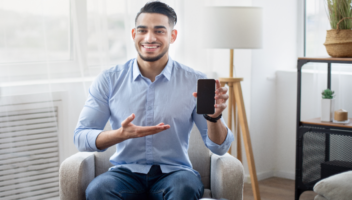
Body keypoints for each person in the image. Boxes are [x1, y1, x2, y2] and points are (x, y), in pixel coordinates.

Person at [74, 1, 234, 200]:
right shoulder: (109, 79)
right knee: (97, 190)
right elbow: (81, 137)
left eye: (159, 31)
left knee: (184, 187)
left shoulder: (195, 81)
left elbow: (219, 147)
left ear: (172, 36)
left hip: (176, 173)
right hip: (125, 173)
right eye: (143, 30)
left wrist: (214, 118)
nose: (149, 38)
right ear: (134, 34)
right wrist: (119, 135)